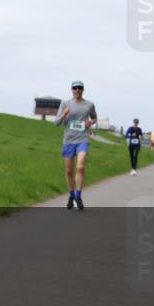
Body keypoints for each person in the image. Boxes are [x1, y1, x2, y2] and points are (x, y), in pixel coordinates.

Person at [54, 81, 97, 211]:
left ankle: (78, 195)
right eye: (75, 88)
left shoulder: (89, 104)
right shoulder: (65, 104)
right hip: (68, 140)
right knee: (69, 171)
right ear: (71, 90)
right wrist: (64, 114)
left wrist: (91, 122)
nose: (77, 90)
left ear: (83, 90)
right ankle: (71, 195)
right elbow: (56, 123)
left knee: (81, 165)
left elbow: (94, 118)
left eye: (79, 88)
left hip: (83, 139)